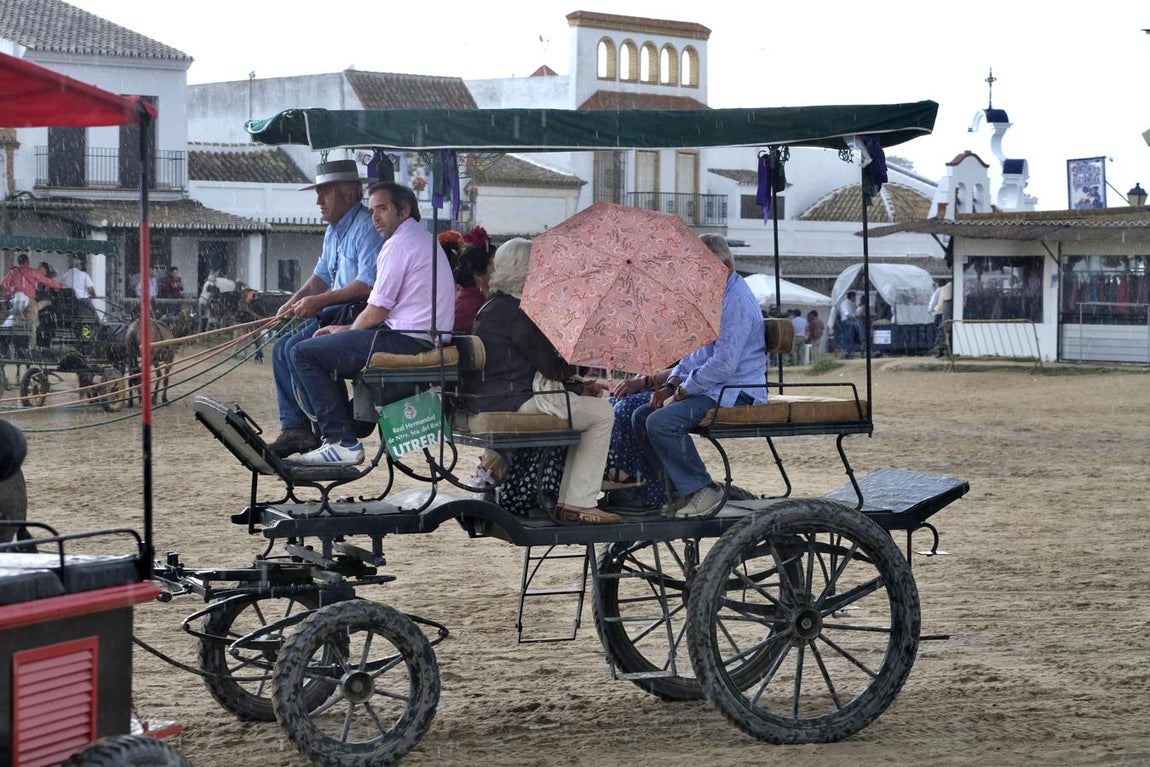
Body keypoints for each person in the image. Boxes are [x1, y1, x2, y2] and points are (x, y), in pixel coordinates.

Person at [289, 181, 454, 467]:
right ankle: (347, 429)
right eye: (371, 210)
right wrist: (343, 331)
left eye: (382, 209)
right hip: (413, 336)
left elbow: (377, 310)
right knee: (321, 344)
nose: (374, 217)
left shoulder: (399, 244)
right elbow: (383, 311)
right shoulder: (420, 239)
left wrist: (349, 332)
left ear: (403, 211)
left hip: (407, 341)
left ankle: (341, 441)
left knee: (303, 353)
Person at [463, 237, 620, 525]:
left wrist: (576, 386)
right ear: (526, 271)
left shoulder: (492, 307)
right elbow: (553, 368)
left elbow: (527, 366)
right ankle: (577, 501)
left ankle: (569, 497)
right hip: (515, 400)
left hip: (496, 396)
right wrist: (583, 348)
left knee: (586, 407)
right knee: (602, 414)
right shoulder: (517, 311)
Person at [617, 234, 767, 520]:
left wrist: (683, 391)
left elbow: (723, 365)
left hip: (737, 391)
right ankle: (672, 489)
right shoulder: (712, 296)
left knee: (661, 422)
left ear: (723, 266)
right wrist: (671, 384)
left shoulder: (735, 301)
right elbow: (693, 355)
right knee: (641, 415)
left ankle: (702, 488)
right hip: (714, 387)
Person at [267, 160, 383, 458]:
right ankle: (296, 428)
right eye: (318, 193)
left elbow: (367, 285)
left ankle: (331, 429)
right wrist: (294, 301)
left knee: (298, 349)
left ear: (351, 194)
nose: (319, 201)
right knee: (281, 349)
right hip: (335, 310)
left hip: (356, 312)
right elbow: (320, 276)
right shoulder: (333, 230)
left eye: (325, 193)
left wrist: (319, 301)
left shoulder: (365, 229)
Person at [1, 254, 62, 346]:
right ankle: (31, 348)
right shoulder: (32, 272)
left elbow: (3, 283)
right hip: (30, 301)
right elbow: (47, 281)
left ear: (19, 262)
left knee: (16, 324)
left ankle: (14, 346)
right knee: (31, 327)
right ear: (27, 262)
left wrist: (11, 290)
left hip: (18, 300)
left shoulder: (13, 272)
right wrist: (59, 286)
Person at [452, 226, 496, 332]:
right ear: (478, 274)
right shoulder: (470, 306)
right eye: (495, 266)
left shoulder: (483, 299)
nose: (499, 271)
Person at [837, 290, 863, 358]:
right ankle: (860, 339)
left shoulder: (852, 304)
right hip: (846, 321)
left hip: (851, 320)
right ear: (852, 296)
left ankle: (859, 340)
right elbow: (847, 315)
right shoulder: (844, 304)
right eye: (854, 297)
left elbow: (854, 314)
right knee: (857, 325)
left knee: (860, 324)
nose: (855, 299)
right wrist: (856, 319)